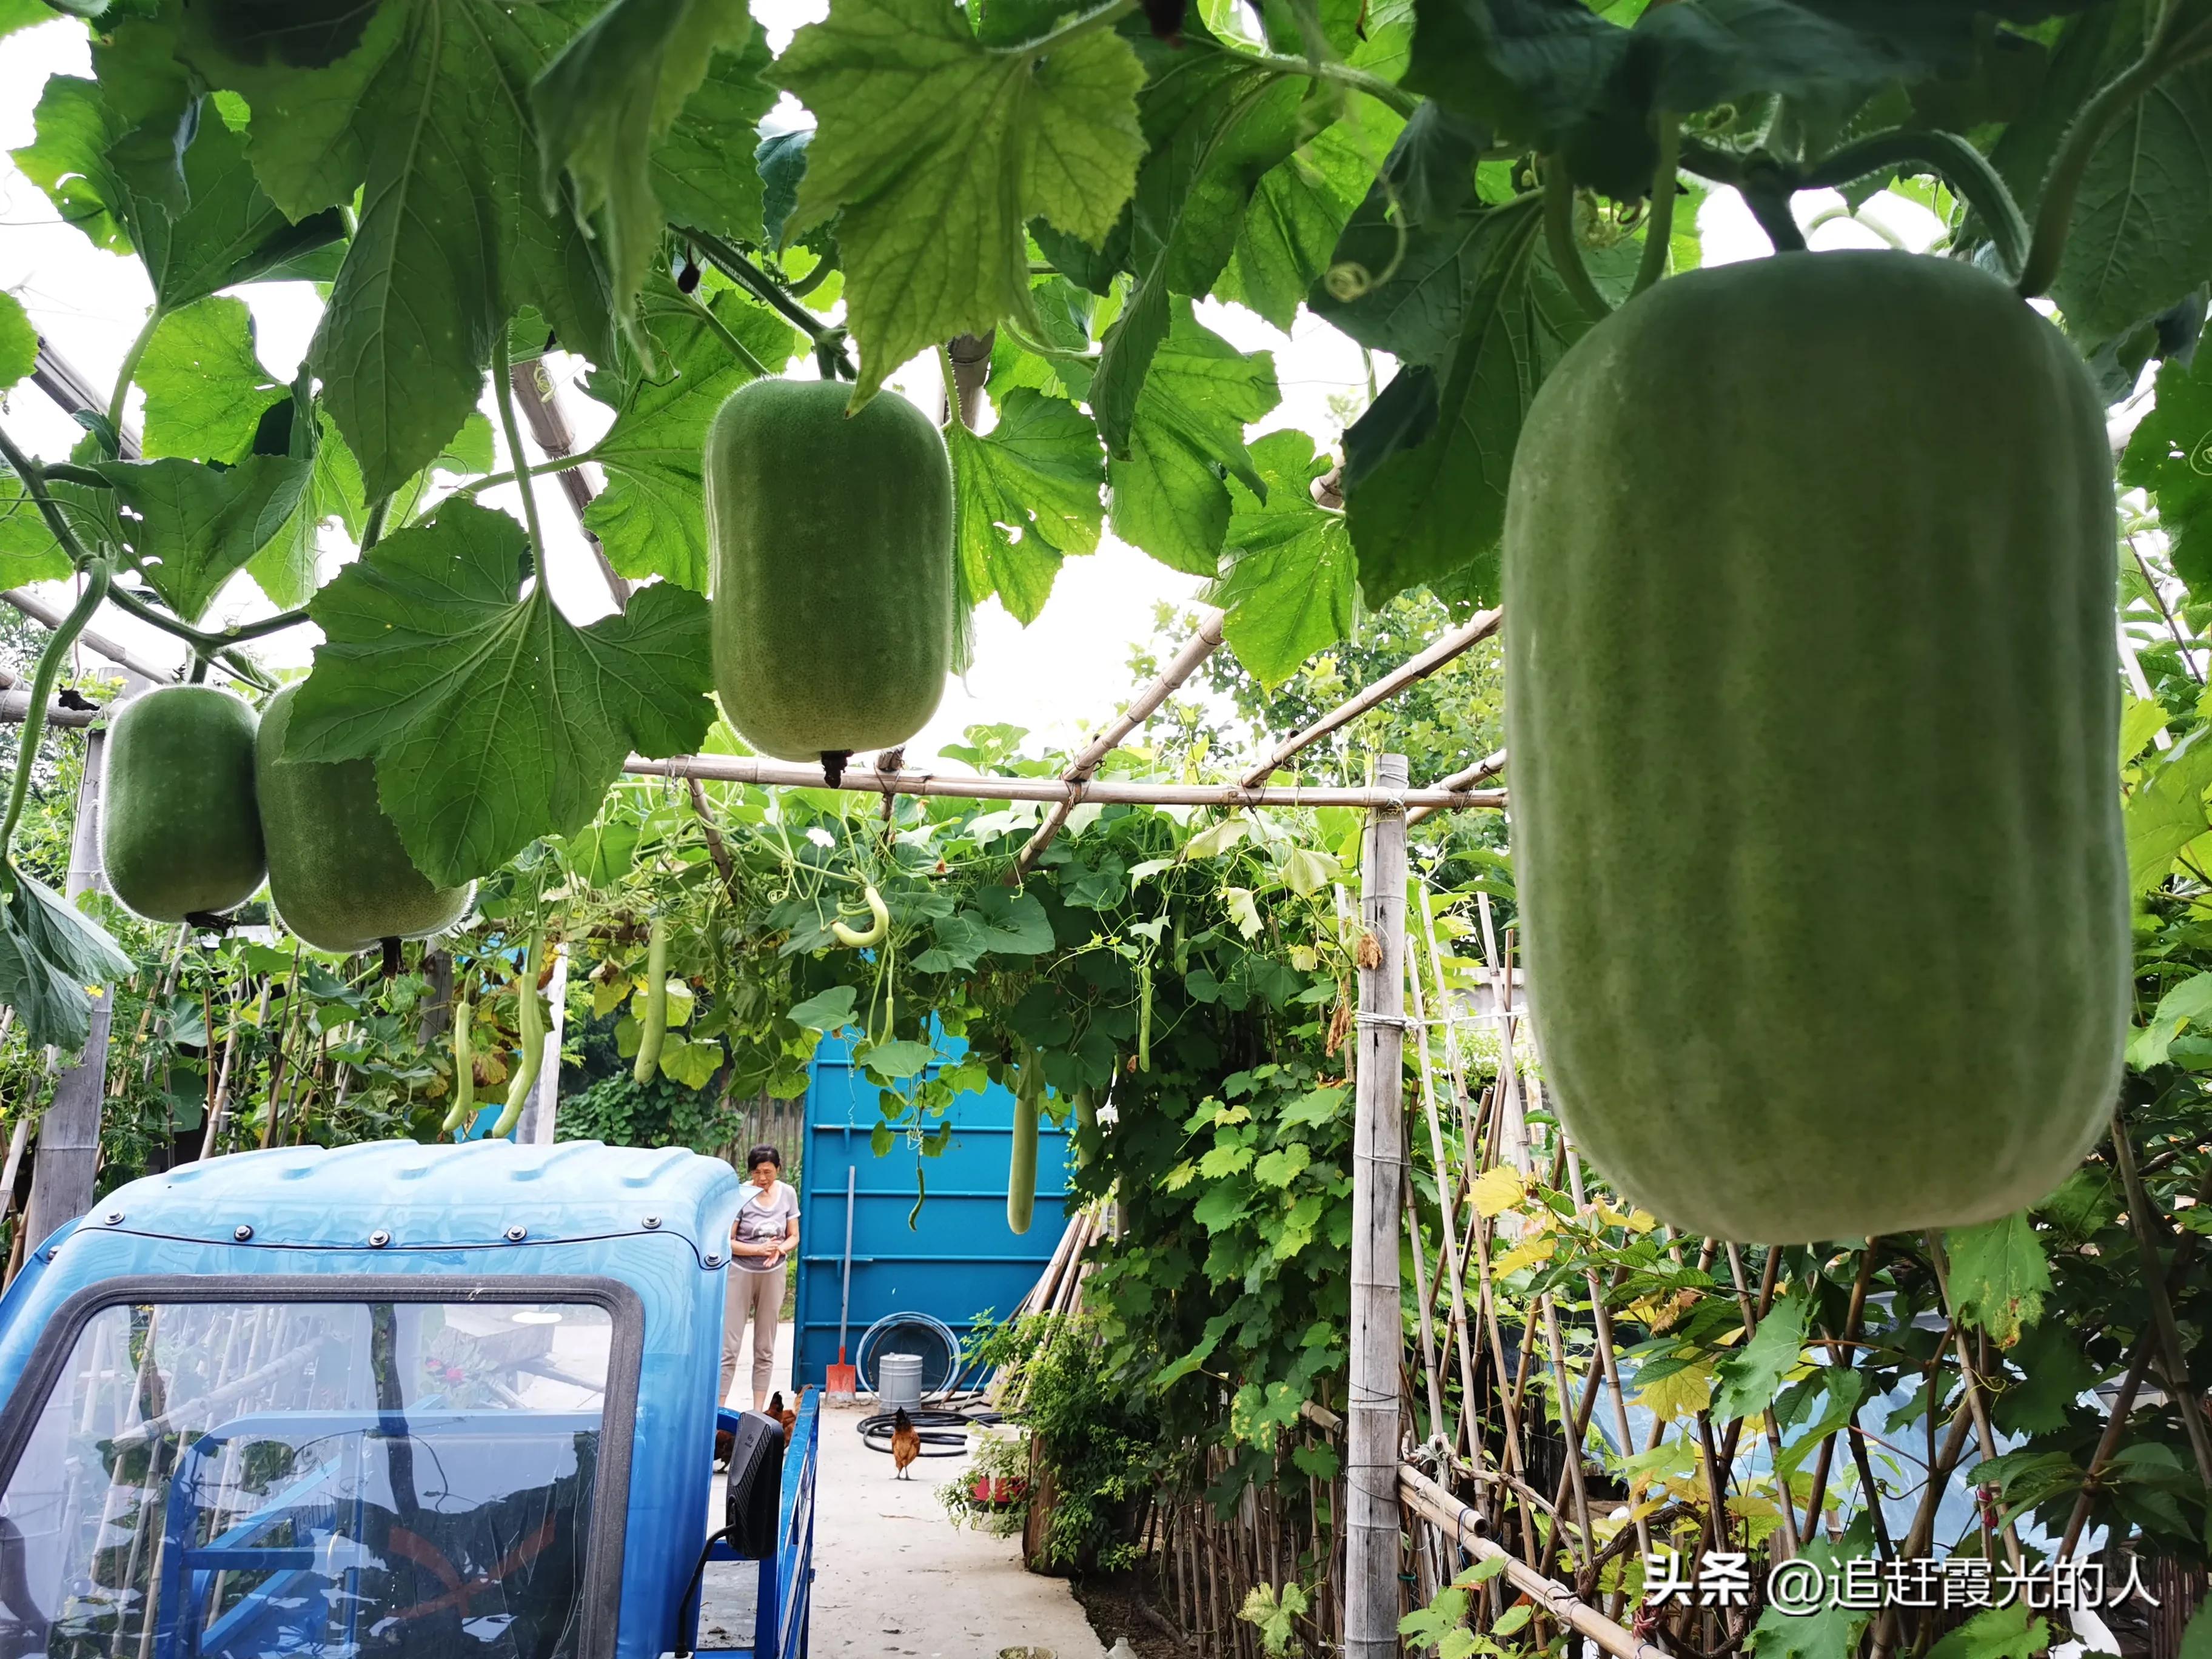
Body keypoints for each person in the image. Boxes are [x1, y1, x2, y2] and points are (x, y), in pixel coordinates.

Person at [723, 1144, 799, 1412]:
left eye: (768, 1172)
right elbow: (727, 1241)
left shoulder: (788, 1194)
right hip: (741, 1273)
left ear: (778, 1169)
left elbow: (794, 1236)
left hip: (773, 1273)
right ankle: (718, 1410)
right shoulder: (741, 1195)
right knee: (728, 1347)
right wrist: (757, 1249)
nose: (762, 1179)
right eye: (756, 1172)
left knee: (765, 1347)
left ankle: (758, 1411)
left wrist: (780, 1249)